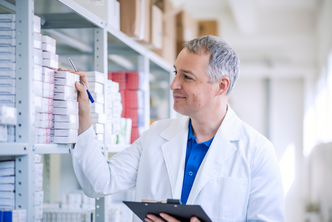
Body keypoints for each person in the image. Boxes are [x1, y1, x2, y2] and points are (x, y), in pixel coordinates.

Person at [71, 35, 285, 222]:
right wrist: (83, 113)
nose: (173, 84)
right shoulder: (157, 135)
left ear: (221, 86)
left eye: (187, 77)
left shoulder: (257, 151)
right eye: (176, 73)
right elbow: (98, 183)